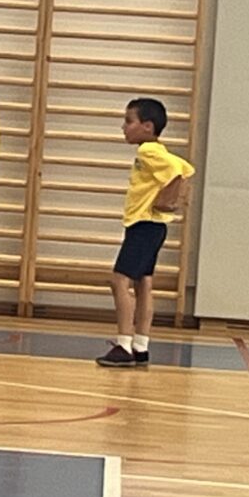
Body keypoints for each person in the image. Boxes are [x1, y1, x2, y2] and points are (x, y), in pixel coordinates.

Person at [96, 98, 195, 368]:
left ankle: (124, 344)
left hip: (143, 224)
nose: (124, 127)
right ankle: (141, 344)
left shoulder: (148, 151)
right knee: (143, 284)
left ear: (147, 126)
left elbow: (178, 171)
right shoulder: (157, 150)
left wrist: (170, 196)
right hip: (154, 226)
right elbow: (185, 168)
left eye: (129, 121)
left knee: (119, 281)